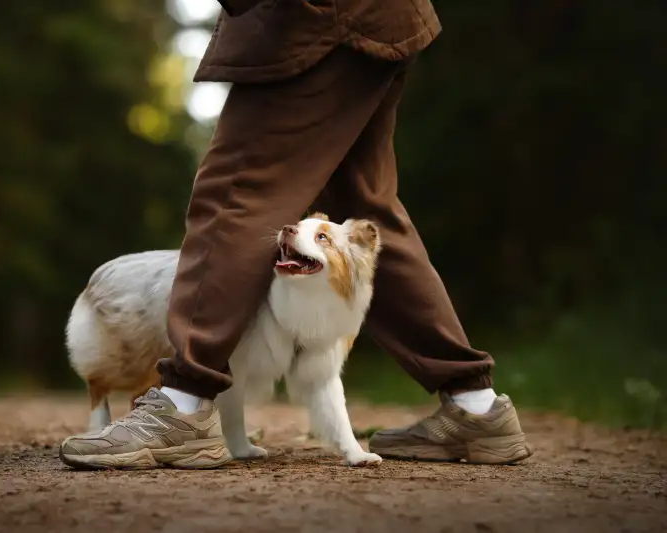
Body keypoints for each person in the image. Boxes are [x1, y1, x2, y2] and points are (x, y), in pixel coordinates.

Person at [59, 0, 533, 468]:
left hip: (315, 23)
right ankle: (475, 407)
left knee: (236, 192)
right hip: (375, 17)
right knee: (360, 213)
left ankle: (184, 402)